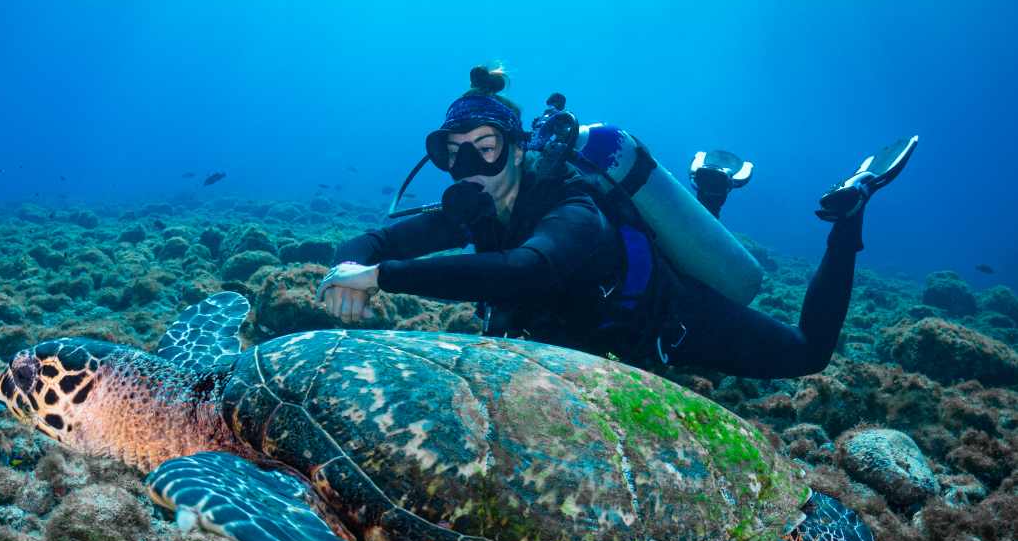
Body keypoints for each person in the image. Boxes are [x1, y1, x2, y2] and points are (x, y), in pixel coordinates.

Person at [316, 64, 918, 379]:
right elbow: (372, 240)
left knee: (805, 356)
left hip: (664, 320)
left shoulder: (571, 207)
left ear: (519, 149)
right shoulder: (476, 203)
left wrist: (381, 279)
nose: (470, 163)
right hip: (579, 338)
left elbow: (525, 271)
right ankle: (709, 189)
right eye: (455, 150)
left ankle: (852, 214)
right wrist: (349, 271)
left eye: (487, 145)